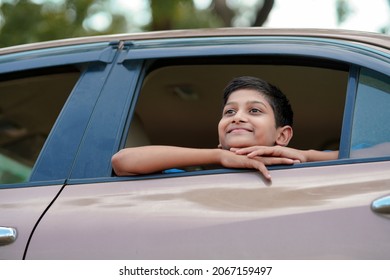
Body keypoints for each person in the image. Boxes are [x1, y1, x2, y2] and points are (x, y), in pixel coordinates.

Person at [112, 76, 338, 180]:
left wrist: (306, 155)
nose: (237, 117)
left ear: (282, 135)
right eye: (229, 112)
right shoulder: (191, 179)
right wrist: (219, 157)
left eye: (254, 111)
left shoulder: (308, 173)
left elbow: (371, 157)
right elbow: (122, 161)